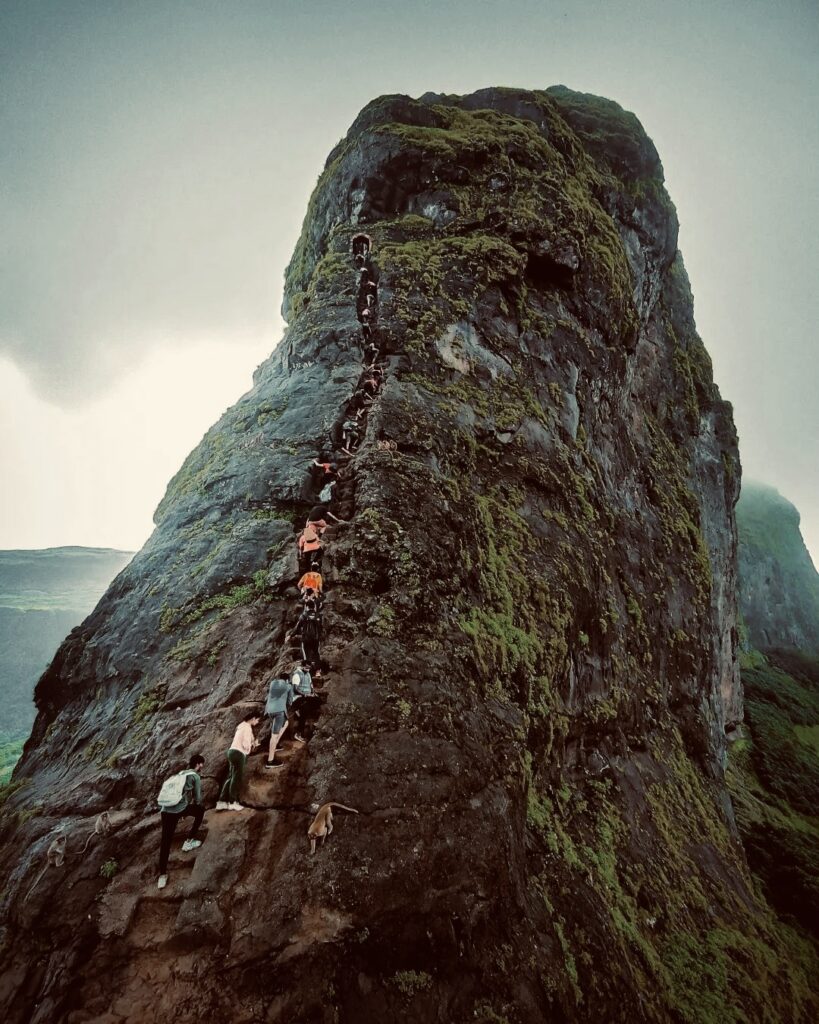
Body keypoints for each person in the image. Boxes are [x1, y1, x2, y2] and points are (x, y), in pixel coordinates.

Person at [157, 753, 206, 889]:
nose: (202, 767)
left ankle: (162, 875)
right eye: (202, 764)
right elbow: (197, 798)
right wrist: (192, 805)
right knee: (200, 810)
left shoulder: (181, 773)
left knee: (165, 841)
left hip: (165, 810)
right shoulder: (195, 776)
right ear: (198, 764)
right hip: (178, 809)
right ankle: (189, 841)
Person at [216, 712, 260, 811]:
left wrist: (252, 742)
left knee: (231, 777)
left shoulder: (240, 726)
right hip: (239, 753)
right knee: (236, 778)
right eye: (257, 720)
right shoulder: (248, 728)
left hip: (231, 751)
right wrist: (251, 746)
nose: (257, 722)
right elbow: (245, 744)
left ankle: (221, 802)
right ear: (253, 718)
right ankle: (232, 802)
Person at [265, 675, 294, 769]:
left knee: (286, 723)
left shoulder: (273, 683)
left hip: (269, 710)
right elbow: (290, 701)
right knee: (274, 736)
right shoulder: (288, 686)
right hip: (279, 712)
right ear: (287, 679)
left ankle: (275, 745)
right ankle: (270, 761)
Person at [290, 662, 317, 741]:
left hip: (307, 696)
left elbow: (310, 684)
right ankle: (299, 733)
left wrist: (312, 692)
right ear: (302, 666)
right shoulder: (297, 674)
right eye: (306, 667)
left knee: (317, 701)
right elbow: (295, 689)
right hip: (298, 697)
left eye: (309, 668)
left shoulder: (308, 674)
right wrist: (305, 695)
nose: (308, 669)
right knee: (305, 710)